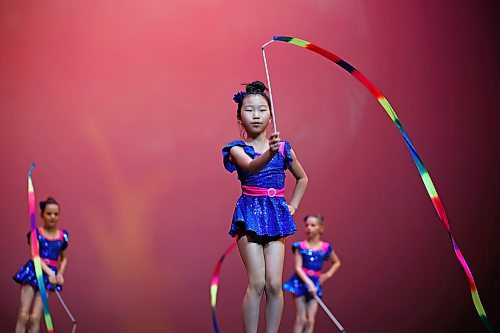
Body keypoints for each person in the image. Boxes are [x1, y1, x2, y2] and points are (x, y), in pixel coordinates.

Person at [222, 81, 308, 333]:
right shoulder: (237, 149)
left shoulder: (282, 148)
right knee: (257, 282)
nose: (256, 115)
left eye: (261, 110)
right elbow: (250, 166)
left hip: (276, 216)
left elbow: (303, 178)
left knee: (274, 284)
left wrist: (292, 205)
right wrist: (270, 154)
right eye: (249, 110)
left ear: (271, 116)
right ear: (239, 118)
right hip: (249, 215)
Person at [13, 197, 69, 333]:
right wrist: (51, 272)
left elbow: (64, 258)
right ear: (42, 215)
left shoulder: (62, 236)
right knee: (23, 315)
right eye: (49, 214)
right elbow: (35, 256)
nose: (52, 217)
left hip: (48, 280)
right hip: (33, 273)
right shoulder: (35, 234)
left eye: (56, 214)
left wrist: (60, 274)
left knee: (35, 318)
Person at [283, 214, 341, 333]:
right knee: (302, 318)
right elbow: (298, 268)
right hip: (300, 282)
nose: (309, 228)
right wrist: (308, 282)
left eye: (313, 225)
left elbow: (337, 262)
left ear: (320, 228)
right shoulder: (300, 246)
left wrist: (326, 275)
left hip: (315, 283)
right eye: (307, 225)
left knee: (310, 319)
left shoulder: (325, 247)